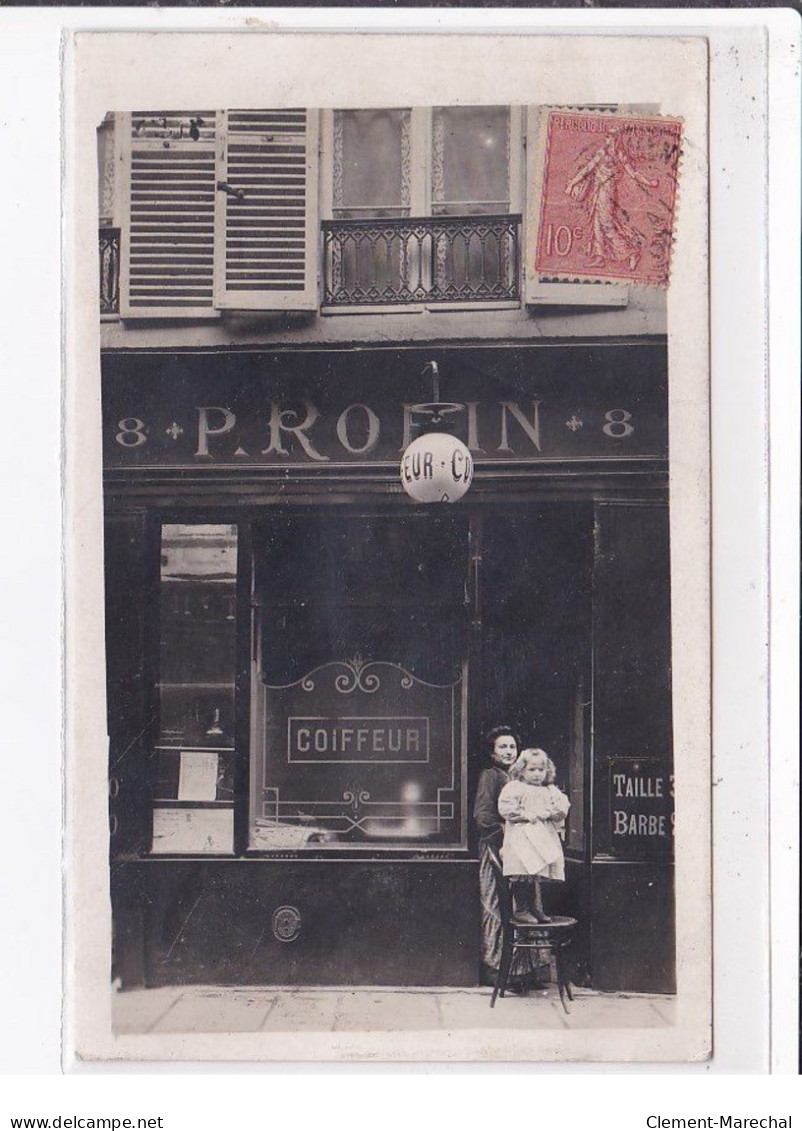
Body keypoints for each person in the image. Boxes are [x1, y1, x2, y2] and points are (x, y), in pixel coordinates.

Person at [473, 726, 543, 988]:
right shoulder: (490, 776)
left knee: (525, 907)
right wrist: (506, 840)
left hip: (521, 851)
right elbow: (483, 817)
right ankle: (502, 972)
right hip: (498, 851)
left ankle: (525, 973)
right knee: (502, 906)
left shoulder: (521, 778)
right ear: (492, 751)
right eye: (502, 747)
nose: (508, 751)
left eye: (512, 746)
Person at [564, 125, 659, 271]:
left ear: (616, 139)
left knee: (607, 225)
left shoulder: (620, 155)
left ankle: (631, 252)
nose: (608, 140)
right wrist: (572, 184)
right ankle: (600, 257)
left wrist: (650, 183)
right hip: (598, 192)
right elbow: (587, 169)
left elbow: (633, 174)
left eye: (610, 137)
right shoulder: (602, 153)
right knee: (597, 226)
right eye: (607, 137)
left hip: (607, 194)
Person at [498, 748, 570, 924]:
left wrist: (549, 812)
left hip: (542, 838)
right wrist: (526, 815)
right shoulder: (515, 787)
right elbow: (506, 809)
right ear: (521, 770)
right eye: (532, 769)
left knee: (536, 875)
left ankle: (536, 908)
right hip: (521, 838)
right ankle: (521, 909)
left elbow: (562, 809)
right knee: (522, 872)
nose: (537, 774)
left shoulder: (550, 790)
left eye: (541, 770)